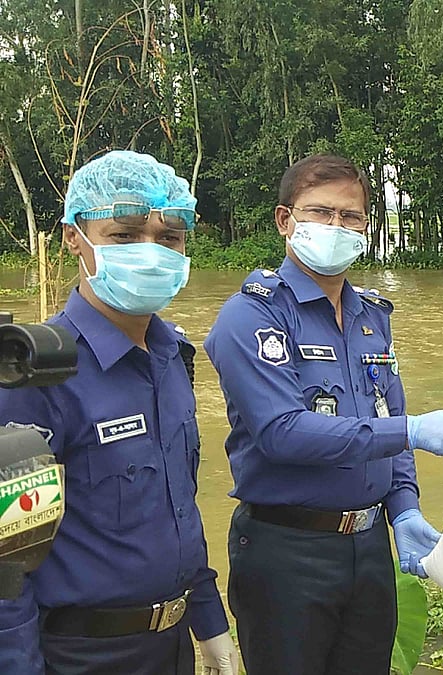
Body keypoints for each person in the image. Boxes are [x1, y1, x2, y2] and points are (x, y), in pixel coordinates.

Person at [203, 153, 443, 675]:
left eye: (351, 217)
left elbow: (385, 413)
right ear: (287, 220)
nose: (337, 226)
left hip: (369, 548)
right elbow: (283, 433)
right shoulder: (253, 314)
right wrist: (411, 431)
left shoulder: (372, 316)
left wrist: (404, 508)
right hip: (287, 550)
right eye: (321, 212)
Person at [0, 151, 239, 675]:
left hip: (172, 645)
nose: (150, 252)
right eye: (125, 235)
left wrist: (209, 621)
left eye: (169, 238)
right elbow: (7, 564)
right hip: (83, 655)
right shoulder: (36, 376)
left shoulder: (173, 357)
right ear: (73, 238)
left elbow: (181, 507)